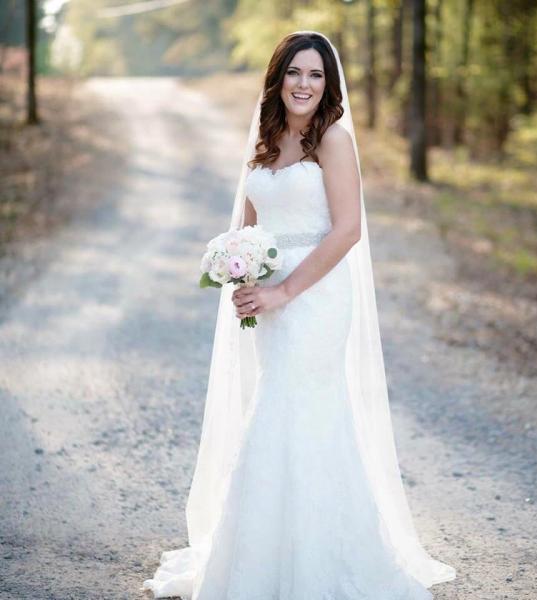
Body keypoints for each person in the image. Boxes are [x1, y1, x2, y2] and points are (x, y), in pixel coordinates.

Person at [142, 30, 456, 600]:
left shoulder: (333, 141)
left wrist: (286, 291)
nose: (304, 84)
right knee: (274, 409)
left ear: (327, 83)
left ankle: (322, 561)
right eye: (294, 73)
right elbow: (247, 222)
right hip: (266, 297)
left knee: (300, 411)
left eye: (315, 74)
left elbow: (348, 230)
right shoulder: (265, 139)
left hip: (316, 297)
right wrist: (238, 272)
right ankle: (259, 558)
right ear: (278, 78)